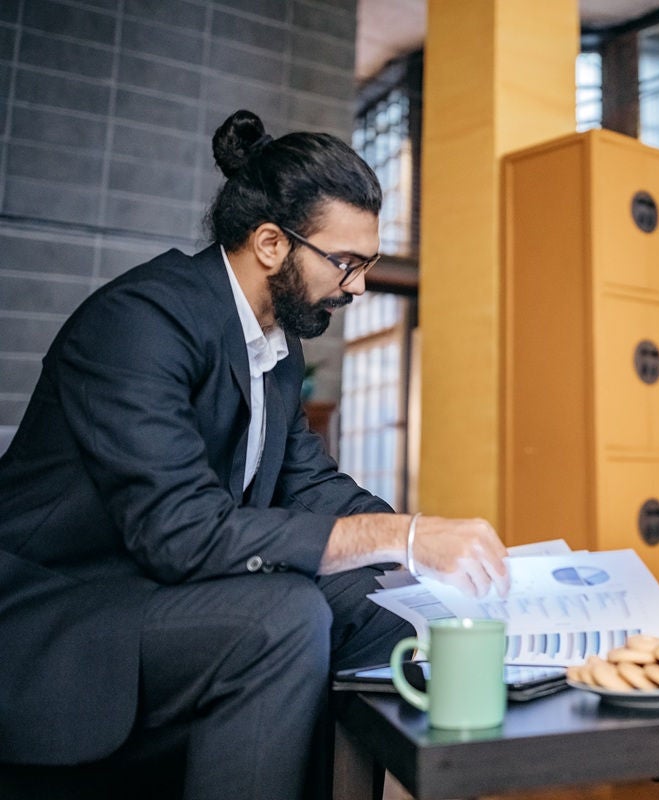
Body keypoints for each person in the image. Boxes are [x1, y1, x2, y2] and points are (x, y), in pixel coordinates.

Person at [0, 109, 509, 800]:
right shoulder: (139, 323)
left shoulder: (274, 345)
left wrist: (429, 555)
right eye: (346, 263)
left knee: (391, 603)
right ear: (271, 243)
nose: (358, 285)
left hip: (161, 594)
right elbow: (181, 532)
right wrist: (400, 535)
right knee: (282, 616)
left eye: (368, 264)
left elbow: (312, 484)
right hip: (65, 616)